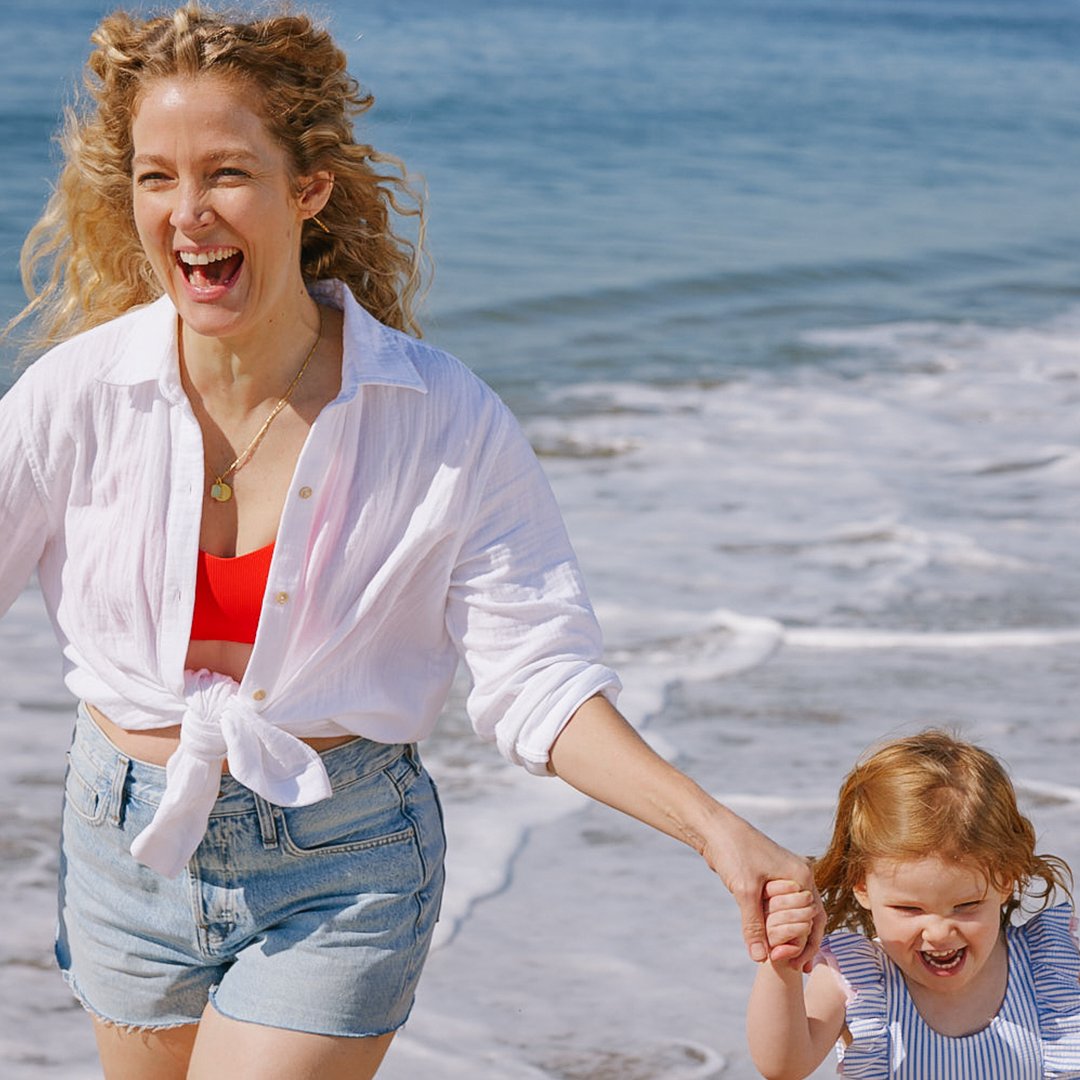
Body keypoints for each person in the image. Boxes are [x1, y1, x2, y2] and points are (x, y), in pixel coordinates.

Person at [0, 4, 822, 1078]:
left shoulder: (441, 420)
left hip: (343, 863)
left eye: (227, 173)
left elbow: (538, 680)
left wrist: (715, 829)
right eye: (158, 178)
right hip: (124, 847)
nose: (188, 212)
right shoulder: (76, 395)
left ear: (309, 188)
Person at [746, 730, 1080, 1080]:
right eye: (909, 909)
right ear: (862, 886)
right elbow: (783, 1066)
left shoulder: (1050, 967)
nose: (939, 932)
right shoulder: (860, 980)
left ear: (1006, 880)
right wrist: (781, 961)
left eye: (966, 905)